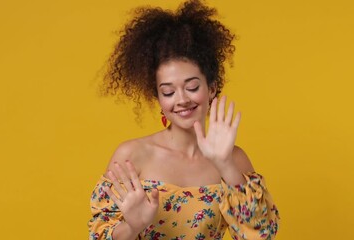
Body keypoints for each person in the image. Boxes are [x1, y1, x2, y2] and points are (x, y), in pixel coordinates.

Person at [88, 0, 280, 239]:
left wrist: (225, 165)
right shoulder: (131, 156)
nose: (181, 100)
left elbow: (261, 234)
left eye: (191, 87)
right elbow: (99, 235)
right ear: (158, 98)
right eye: (168, 92)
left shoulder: (234, 159)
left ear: (211, 88)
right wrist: (133, 226)